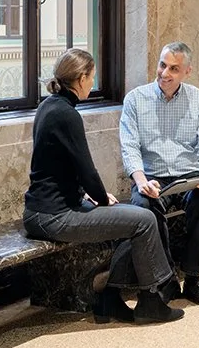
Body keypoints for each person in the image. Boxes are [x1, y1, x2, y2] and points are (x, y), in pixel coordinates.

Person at [23, 48, 183, 324]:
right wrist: (100, 197)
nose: (93, 83)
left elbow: (59, 168)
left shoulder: (48, 106)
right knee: (143, 219)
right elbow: (86, 169)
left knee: (130, 215)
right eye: (92, 77)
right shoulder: (67, 115)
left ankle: (111, 300)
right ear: (81, 78)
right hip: (55, 217)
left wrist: (90, 195)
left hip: (40, 210)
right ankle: (152, 300)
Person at [120, 41, 199, 307]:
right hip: (151, 178)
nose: (165, 73)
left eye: (174, 69)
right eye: (162, 65)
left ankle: (193, 277)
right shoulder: (135, 99)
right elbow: (129, 148)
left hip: (188, 176)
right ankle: (165, 279)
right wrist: (140, 182)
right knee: (144, 207)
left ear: (187, 71)